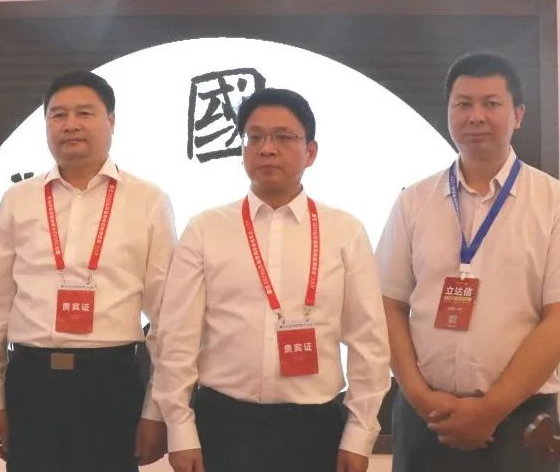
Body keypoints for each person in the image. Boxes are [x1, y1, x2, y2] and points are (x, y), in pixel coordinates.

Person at [376, 52, 560, 472]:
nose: (475, 116)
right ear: (449, 112)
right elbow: (388, 305)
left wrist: (491, 409)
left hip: (519, 420)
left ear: (518, 114)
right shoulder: (413, 201)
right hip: (425, 419)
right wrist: (420, 396)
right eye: (463, 103)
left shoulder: (557, 203)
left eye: (491, 103)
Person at [153, 87, 390, 472]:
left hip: (316, 427)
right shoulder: (206, 229)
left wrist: (360, 432)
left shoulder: (345, 231)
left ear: (310, 152)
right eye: (255, 137)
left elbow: (369, 341)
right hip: (224, 423)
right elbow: (178, 337)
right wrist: (180, 427)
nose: (267, 148)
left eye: (283, 137)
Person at [0, 70, 176, 472]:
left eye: (84, 113)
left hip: (112, 382)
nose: (70, 125)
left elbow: (167, 316)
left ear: (111, 121)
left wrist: (157, 408)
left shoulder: (148, 201)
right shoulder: (19, 200)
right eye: (58, 115)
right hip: (31, 381)